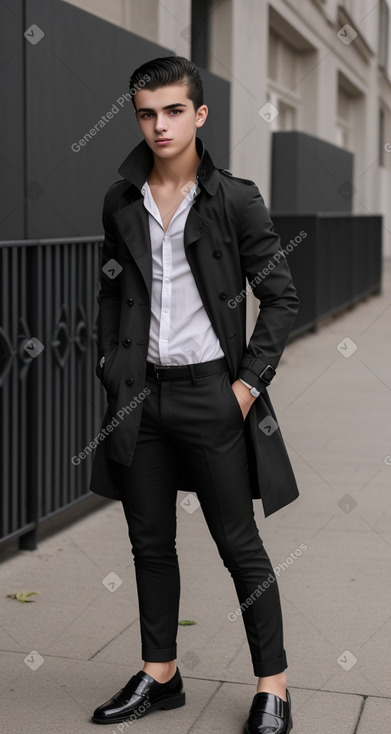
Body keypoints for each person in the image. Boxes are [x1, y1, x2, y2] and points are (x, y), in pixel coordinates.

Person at [89, 55, 299, 734]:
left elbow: (280, 297)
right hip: (139, 401)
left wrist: (244, 386)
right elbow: (111, 290)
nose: (159, 125)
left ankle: (272, 684)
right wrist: (108, 364)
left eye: (173, 110)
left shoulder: (234, 198)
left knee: (239, 545)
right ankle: (161, 675)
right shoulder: (121, 200)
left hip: (213, 395)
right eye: (146, 112)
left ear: (199, 115)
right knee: (149, 543)